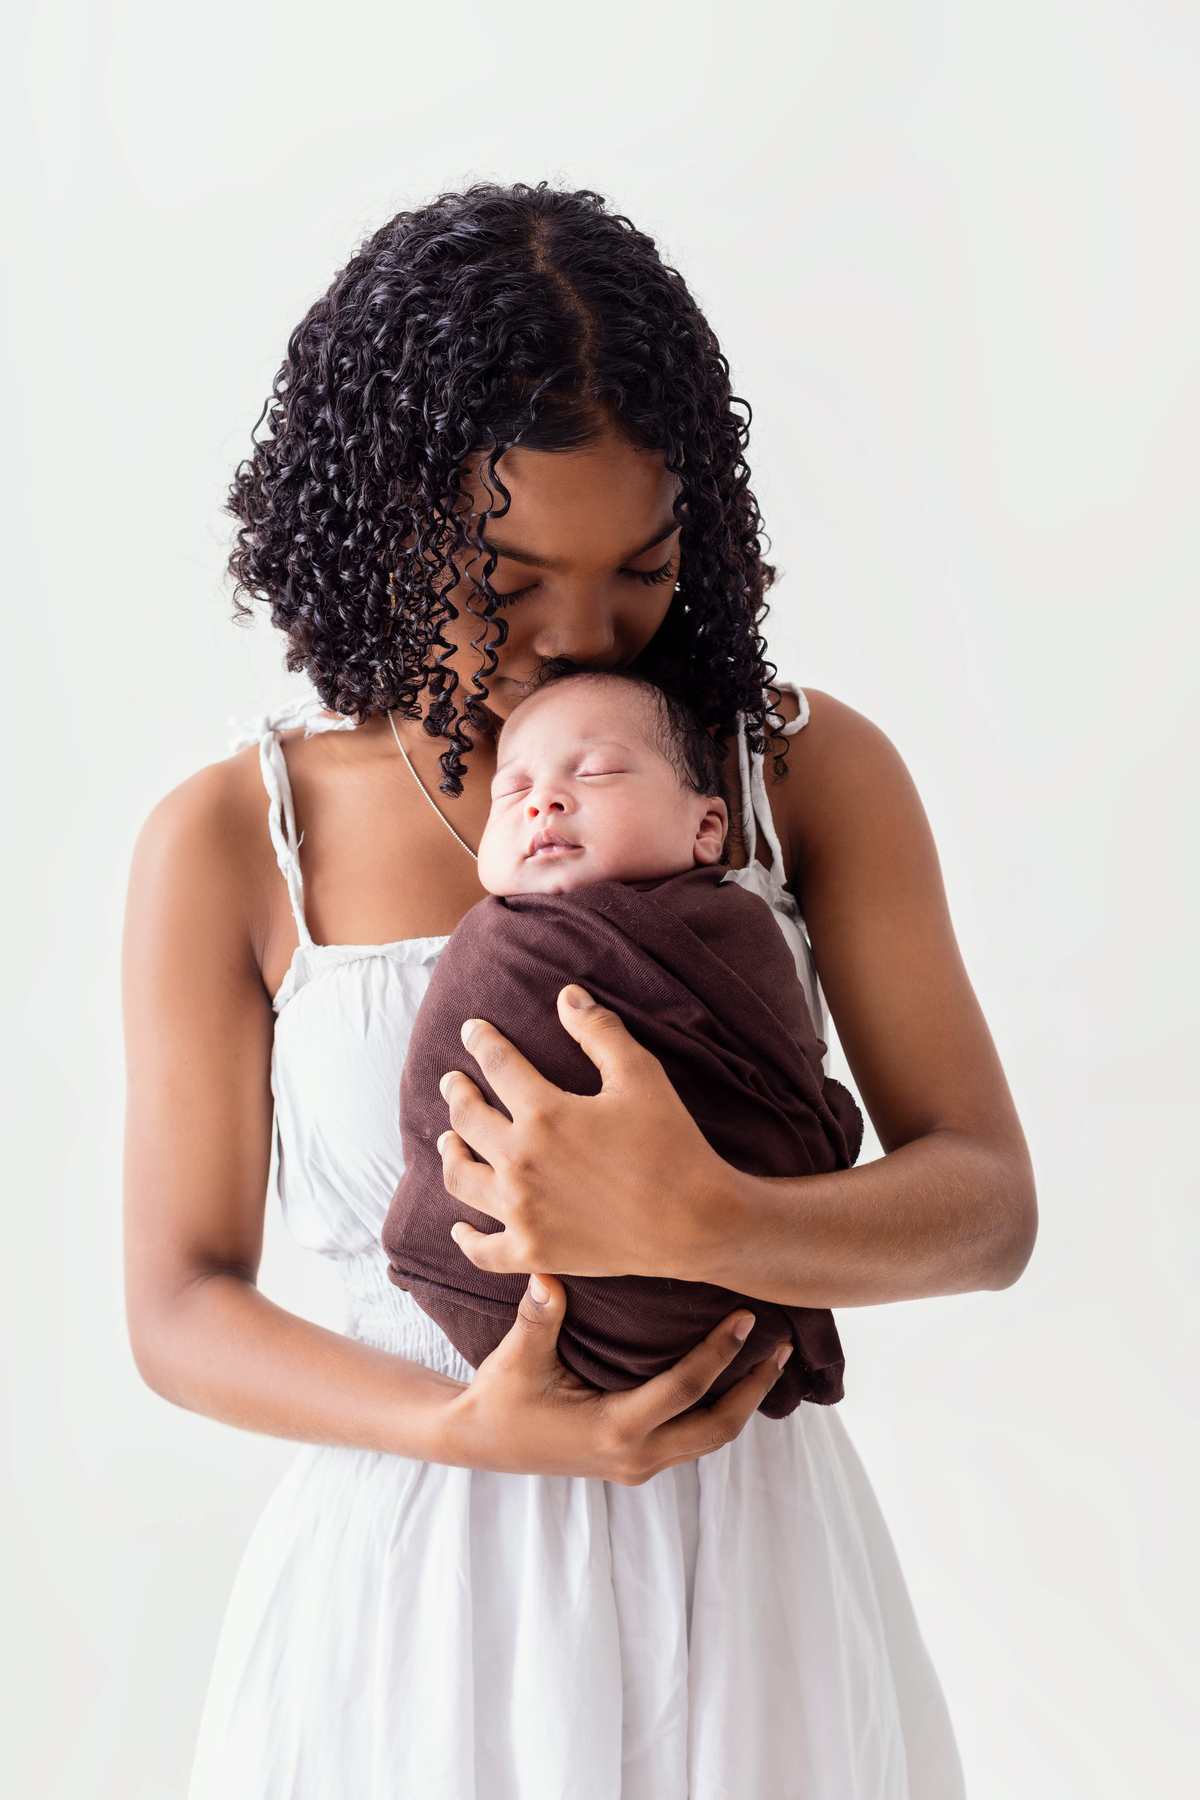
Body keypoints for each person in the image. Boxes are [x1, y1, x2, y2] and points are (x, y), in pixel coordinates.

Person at [122, 183, 1036, 1799]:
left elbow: (985, 1209)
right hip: (408, 1600)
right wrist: (472, 1434)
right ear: (379, 516)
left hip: (749, 1581)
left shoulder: (792, 779)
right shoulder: (230, 842)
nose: (582, 631)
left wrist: (700, 1225)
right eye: (509, 573)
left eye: (643, 565)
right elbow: (180, 1307)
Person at [384, 664, 863, 1414]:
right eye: (512, 791)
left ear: (707, 828)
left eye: (598, 771)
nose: (543, 800)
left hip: (729, 1306)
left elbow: (776, 1099)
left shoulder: (733, 932)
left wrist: (706, 1215)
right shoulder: (494, 946)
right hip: (487, 1376)